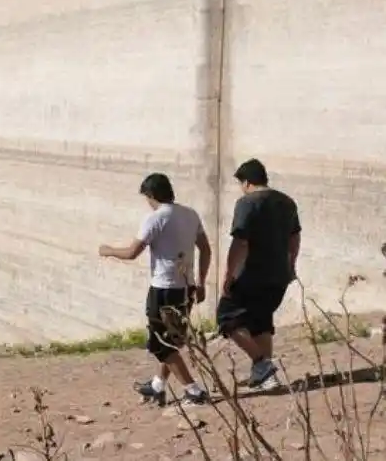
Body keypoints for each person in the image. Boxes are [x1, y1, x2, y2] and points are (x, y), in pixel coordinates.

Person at [98, 173, 212, 406]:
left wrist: (108, 250)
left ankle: (194, 390)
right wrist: (200, 283)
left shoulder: (155, 218)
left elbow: (132, 253)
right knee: (172, 341)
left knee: (160, 344)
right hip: (186, 288)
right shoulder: (190, 214)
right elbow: (206, 249)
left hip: (163, 289)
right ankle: (158, 386)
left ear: (151, 195)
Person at [217, 158, 301, 390]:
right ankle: (265, 378)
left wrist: (229, 274)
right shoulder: (287, 202)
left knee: (227, 318)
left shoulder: (247, 202)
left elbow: (241, 242)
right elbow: (294, 238)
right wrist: (291, 264)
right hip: (278, 275)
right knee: (261, 321)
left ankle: (262, 365)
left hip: (251, 274)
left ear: (246, 182)